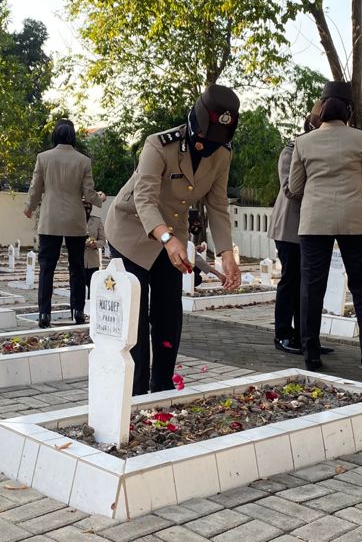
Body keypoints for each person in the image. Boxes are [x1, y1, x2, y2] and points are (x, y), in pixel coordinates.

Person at [104, 84, 242, 395]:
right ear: (195, 125)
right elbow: (144, 199)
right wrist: (167, 238)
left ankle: (163, 387)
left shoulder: (222, 154)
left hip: (172, 236)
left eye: (217, 142)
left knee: (168, 313)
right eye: (206, 140)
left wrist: (227, 254)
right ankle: (135, 393)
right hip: (131, 231)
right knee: (136, 316)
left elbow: (217, 205)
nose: (209, 148)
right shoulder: (158, 145)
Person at [289, 81, 362, 374]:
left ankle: (311, 355)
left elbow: (294, 187)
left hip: (315, 221)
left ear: (321, 108)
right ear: (350, 110)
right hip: (354, 220)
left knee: (311, 288)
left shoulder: (303, 142)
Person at [25, 119, 106, 328]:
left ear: (55, 135)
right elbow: (88, 192)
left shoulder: (43, 158)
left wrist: (29, 207)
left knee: (47, 268)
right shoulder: (83, 161)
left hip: (50, 219)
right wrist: (99, 199)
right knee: (77, 267)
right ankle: (78, 311)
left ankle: (44, 314)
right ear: (73, 136)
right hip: (75, 219)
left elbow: (36, 187)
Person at [268, 108, 335, 356]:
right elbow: (289, 189)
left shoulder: (325, 153)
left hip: (314, 228)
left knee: (309, 285)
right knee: (291, 280)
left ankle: (306, 337)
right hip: (290, 228)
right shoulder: (291, 150)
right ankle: (283, 334)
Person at [83, 200, 106, 299]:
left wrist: (95, 244)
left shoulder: (97, 221)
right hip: (78, 259)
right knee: (79, 288)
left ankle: (91, 305)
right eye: (84, 205)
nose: (87, 208)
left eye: (89, 205)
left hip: (93, 261)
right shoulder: (74, 220)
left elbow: (103, 240)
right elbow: (69, 240)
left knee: (92, 288)